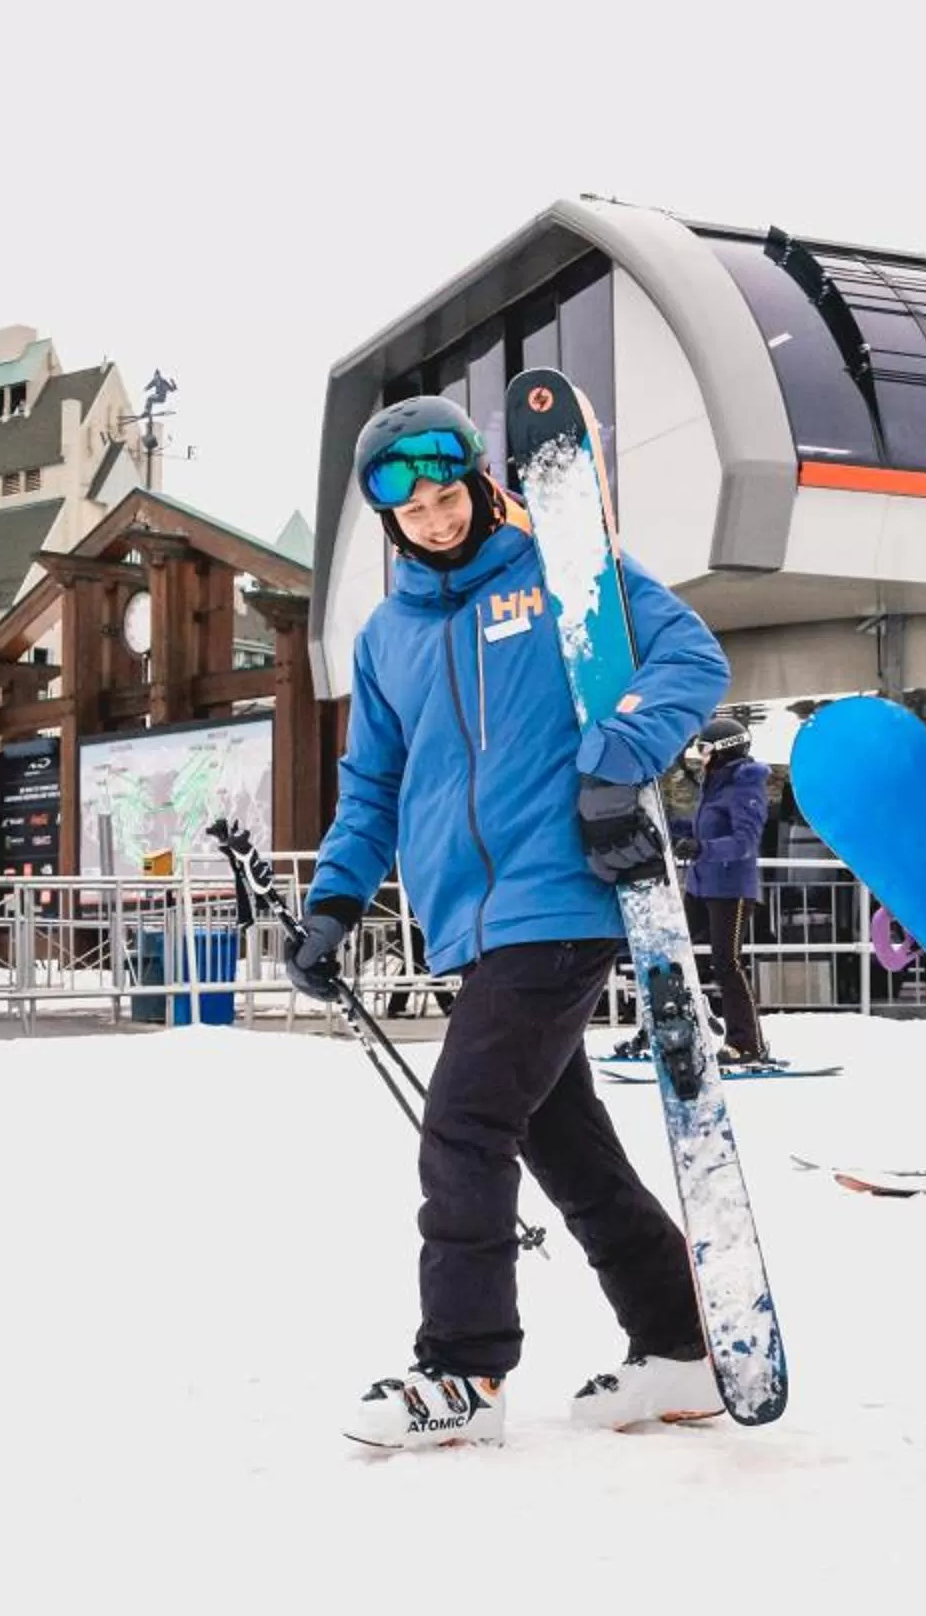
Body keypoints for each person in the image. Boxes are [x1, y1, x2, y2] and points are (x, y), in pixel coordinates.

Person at [294, 394, 730, 1452]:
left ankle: (464, 1367)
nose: (437, 520)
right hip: (468, 924)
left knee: (465, 1123)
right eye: (415, 511)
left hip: (560, 900)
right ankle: (679, 1344)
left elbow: (693, 660)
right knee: (562, 1141)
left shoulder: (565, 577)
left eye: (450, 497)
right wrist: (335, 900)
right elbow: (373, 784)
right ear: (389, 522)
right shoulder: (389, 635)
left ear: (484, 484)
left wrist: (613, 762)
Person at [678, 712, 773, 1063]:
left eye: (704, 749)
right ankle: (670, 1026)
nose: (699, 756)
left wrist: (704, 848)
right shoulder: (714, 785)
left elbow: (745, 841)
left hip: (731, 889)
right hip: (701, 884)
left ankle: (748, 1043)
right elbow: (704, 830)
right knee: (673, 952)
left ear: (724, 751)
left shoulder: (745, 786)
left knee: (726, 962)